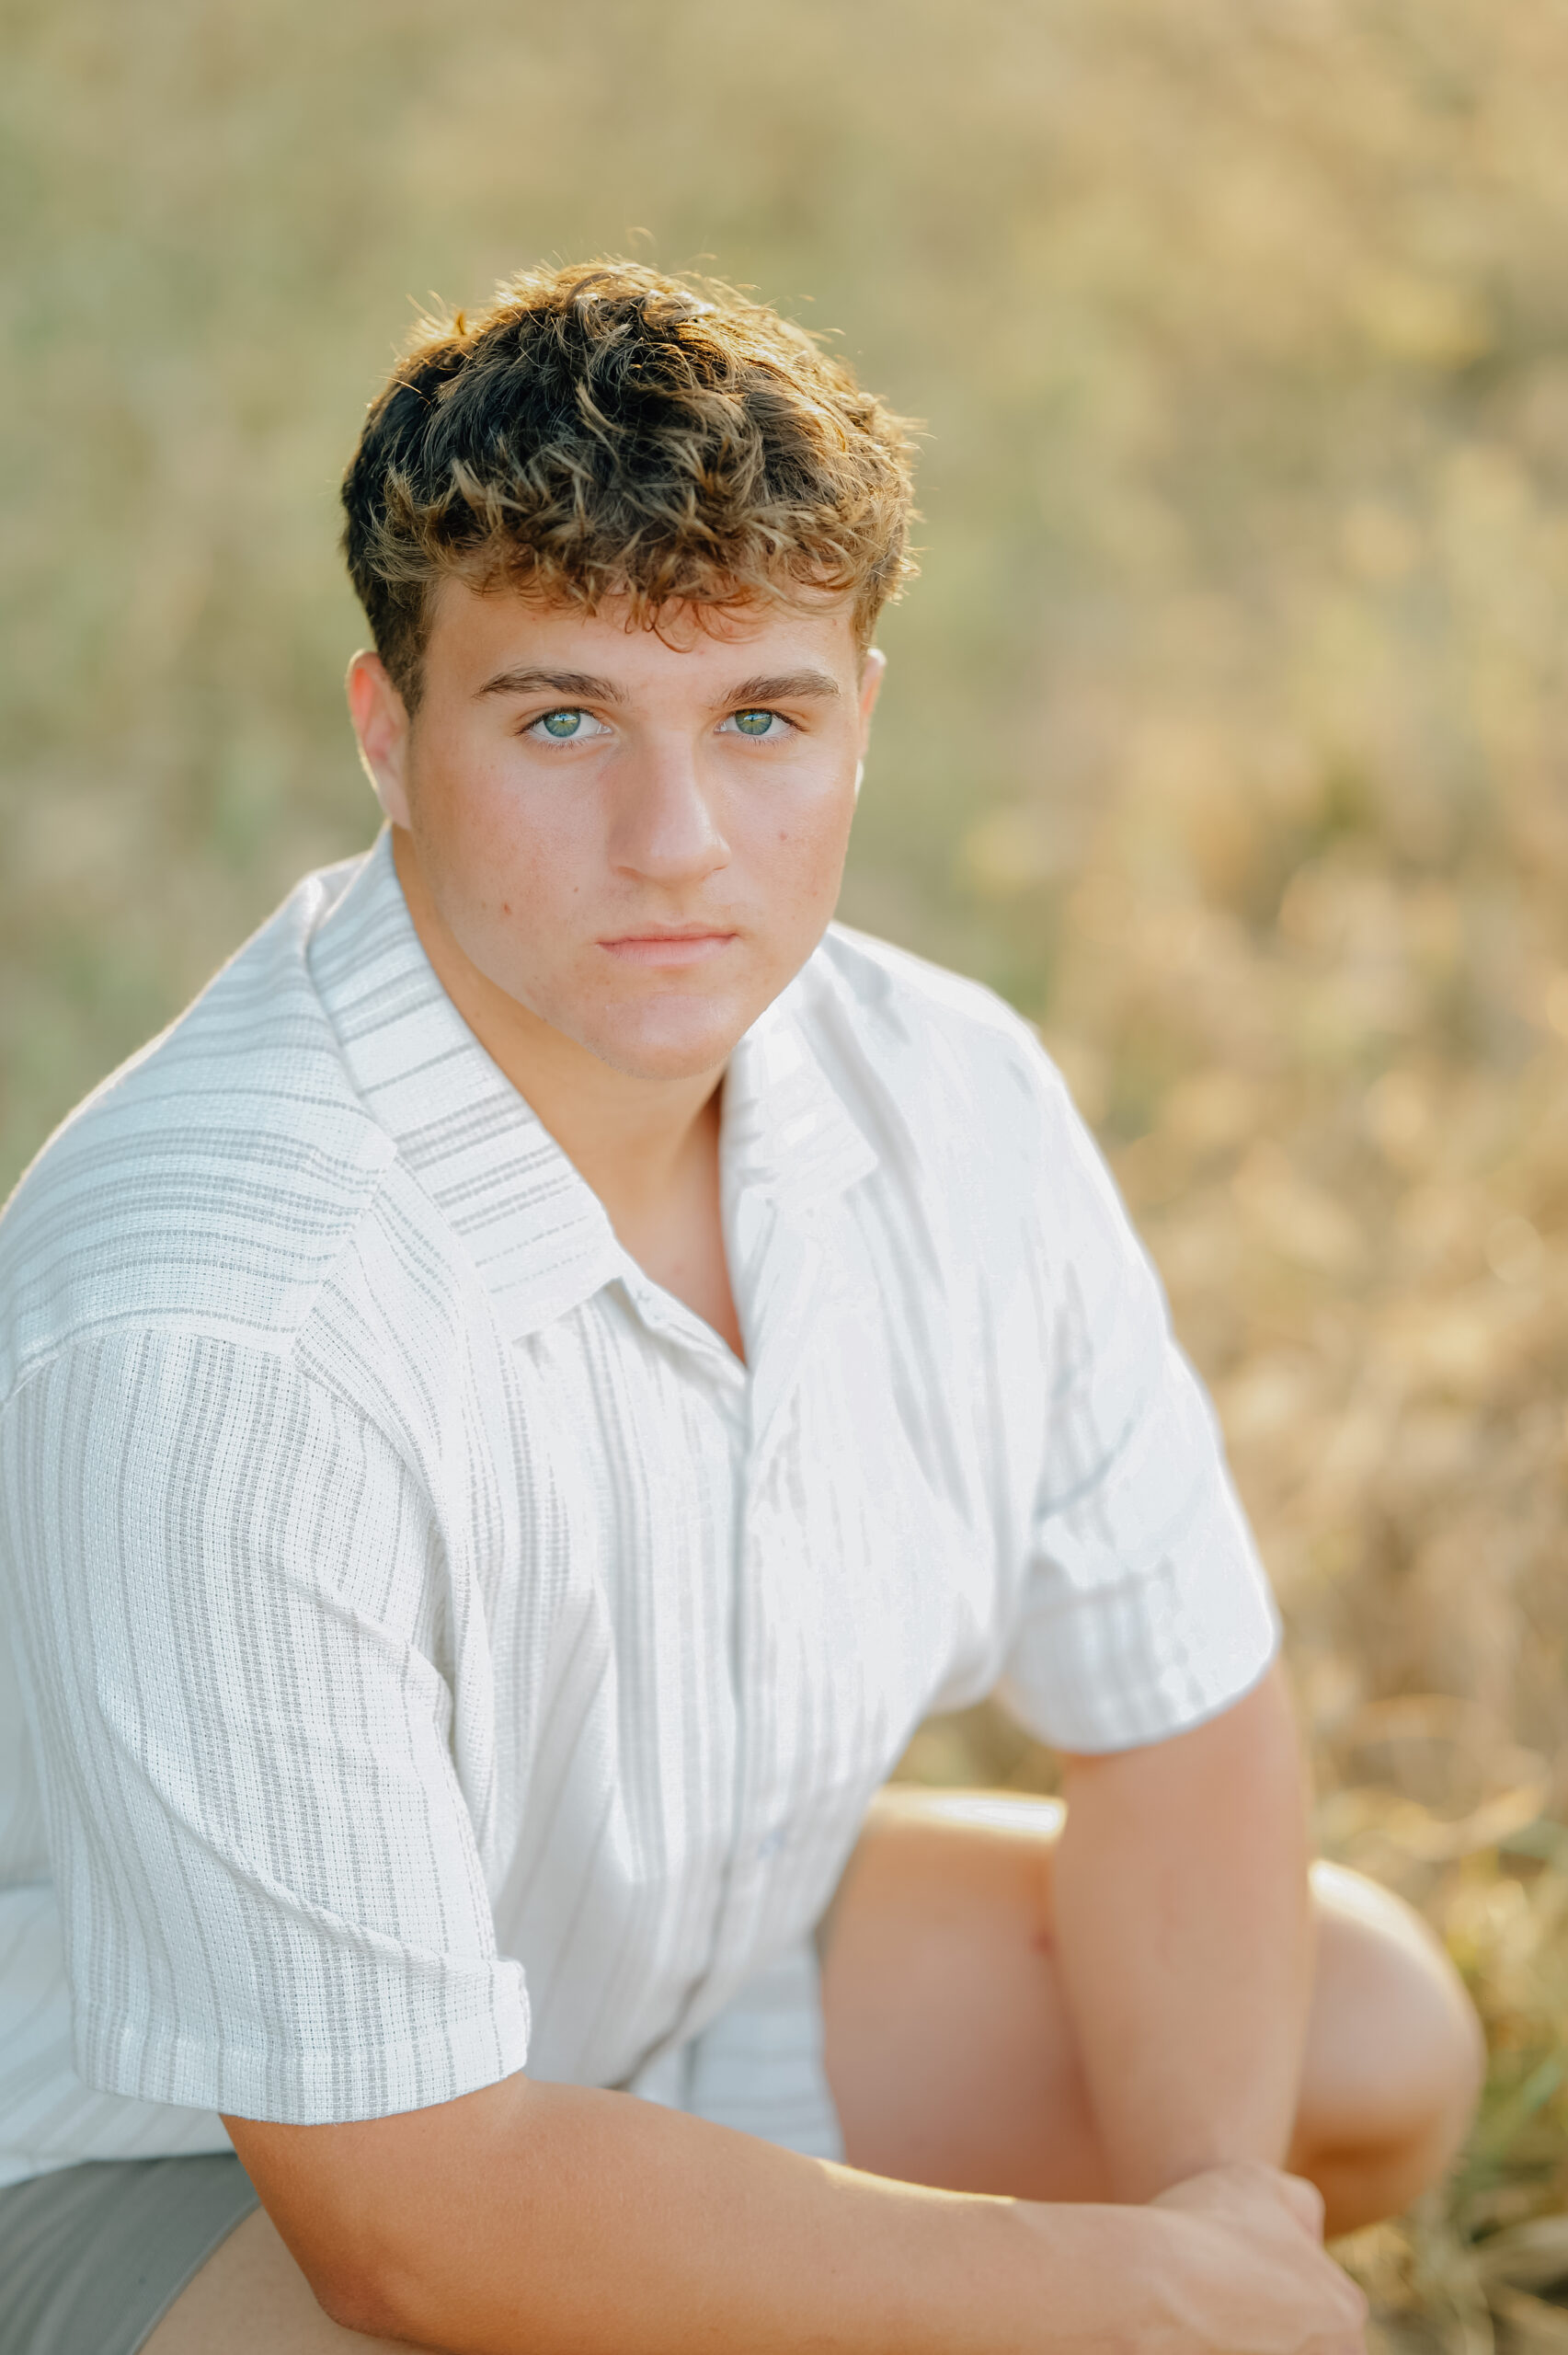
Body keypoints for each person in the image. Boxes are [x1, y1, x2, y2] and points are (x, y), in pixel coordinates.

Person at [0, 260, 1482, 2355]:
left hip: (660, 1989)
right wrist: (1097, 2291)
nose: (674, 842)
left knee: (1366, 2037)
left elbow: (1175, 1725)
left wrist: (1212, 2222)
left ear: (860, 717)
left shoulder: (948, 1090)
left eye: (760, 719)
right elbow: (405, 2221)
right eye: (562, 718)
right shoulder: (218, 1318)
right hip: (169, 2149)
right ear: (388, 735)